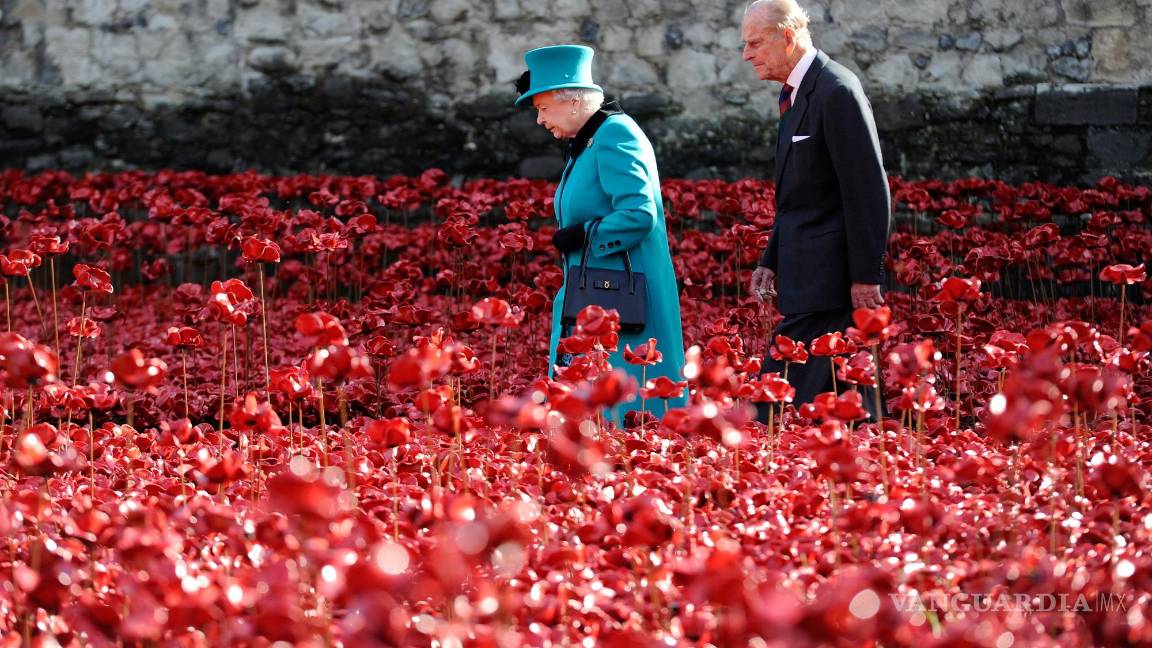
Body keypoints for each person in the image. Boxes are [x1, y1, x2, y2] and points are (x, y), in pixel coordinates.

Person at [515, 44, 687, 417]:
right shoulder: (589, 141)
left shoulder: (614, 134)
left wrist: (585, 233)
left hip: (622, 297)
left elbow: (640, 214)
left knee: (628, 411)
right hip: (597, 292)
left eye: (543, 109)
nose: (540, 121)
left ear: (573, 101)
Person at [741, 0, 891, 414]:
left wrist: (865, 277)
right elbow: (799, 198)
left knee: (773, 404)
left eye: (754, 43)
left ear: (786, 37)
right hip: (809, 279)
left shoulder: (836, 91)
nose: (746, 55)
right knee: (852, 409)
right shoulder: (795, 94)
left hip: (831, 287)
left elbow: (867, 192)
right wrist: (770, 259)